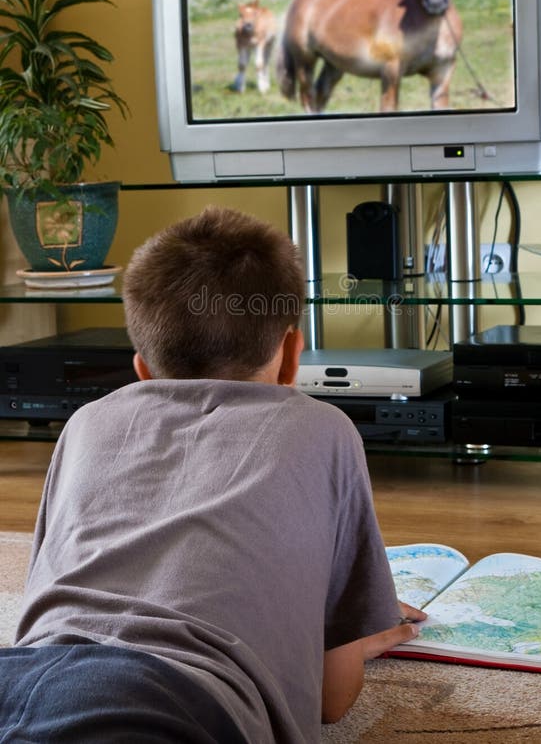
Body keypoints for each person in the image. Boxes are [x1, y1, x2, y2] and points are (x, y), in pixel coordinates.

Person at [1, 206, 425, 743]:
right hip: (174, 701)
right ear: (294, 358)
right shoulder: (322, 428)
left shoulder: (87, 421)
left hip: (17, 675)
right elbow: (332, 701)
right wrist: (355, 636)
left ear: (141, 370)